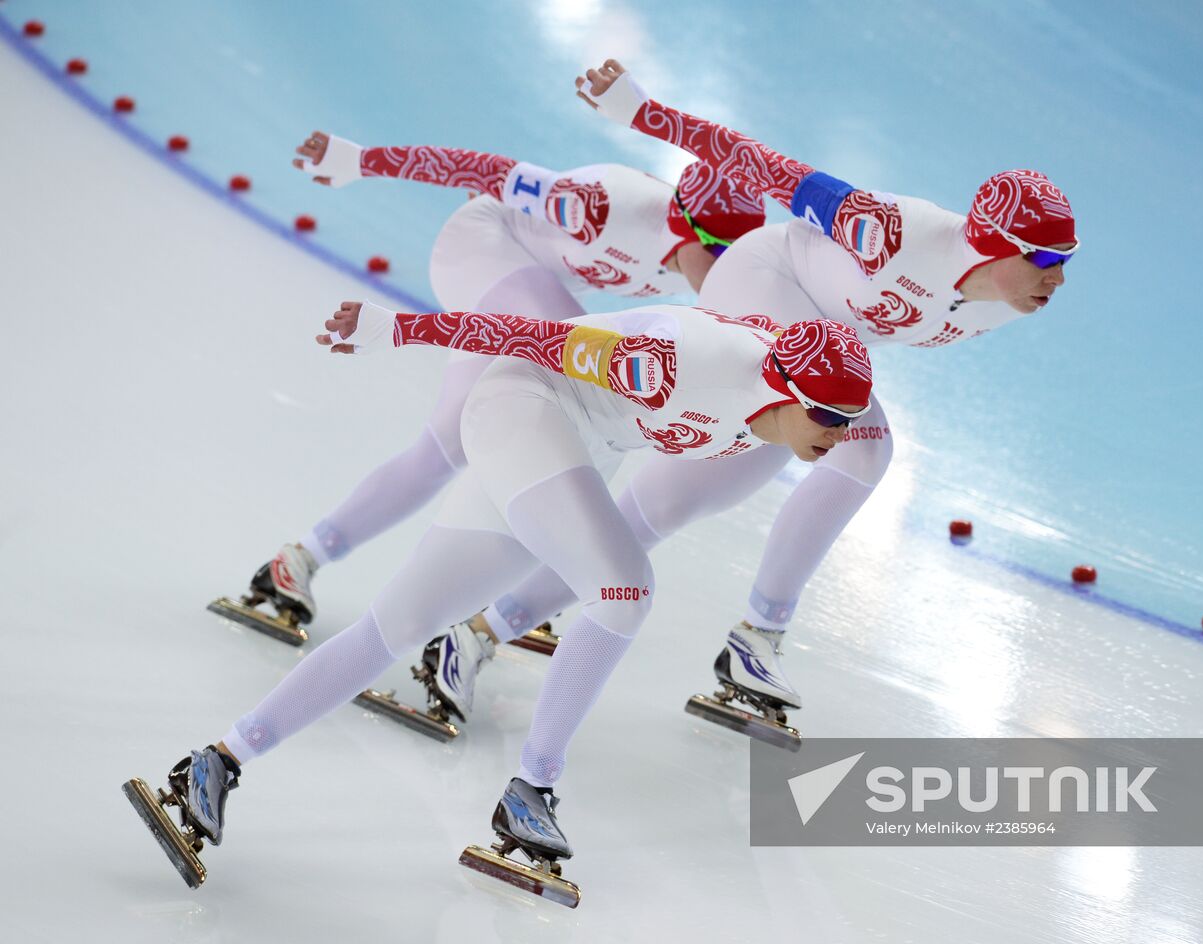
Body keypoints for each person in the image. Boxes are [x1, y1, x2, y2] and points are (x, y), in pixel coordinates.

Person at [126, 296, 873, 904]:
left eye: (849, 422)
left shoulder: (782, 390)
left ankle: (215, 763)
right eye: (831, 421)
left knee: (401, 624)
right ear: (787, 393)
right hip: (525, 406)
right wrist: (399, 327)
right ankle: (532, 788)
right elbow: (528, 334)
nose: (840, 438)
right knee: (624, 588)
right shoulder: (675, 364)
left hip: (574, 443)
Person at [467, 59, 1080, 740]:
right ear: (998, 244)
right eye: (1047, 260)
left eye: (1067, 262)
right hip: (765, 283)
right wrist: (642, 112)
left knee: (670, 503)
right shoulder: (893, 232)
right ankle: (758, 635)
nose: (1057, 280)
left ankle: (485, 628)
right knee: (866, 445)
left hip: (820, 346)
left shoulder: (1010, 299)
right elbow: (763, 166)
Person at [210, 128, 766, 654]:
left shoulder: (715, 257)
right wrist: (361, 161)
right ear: (688, 226)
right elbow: (485, 170)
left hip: (524, 288)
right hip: (480, 247)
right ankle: (539, 570)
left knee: (445, 447)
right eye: (717, 253)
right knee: (583, 392)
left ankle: (298, 561)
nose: (721, 273)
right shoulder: (604, 206)